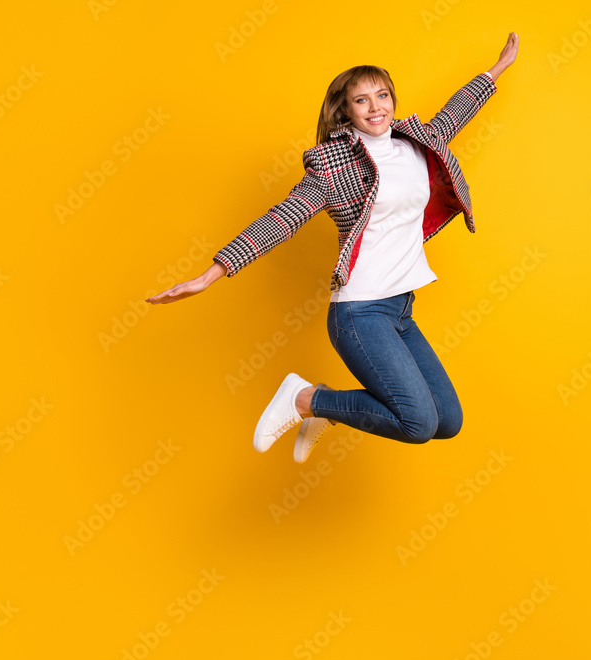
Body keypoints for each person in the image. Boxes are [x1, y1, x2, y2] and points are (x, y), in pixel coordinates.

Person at [147, 32, 519, 463]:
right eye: (362, 100)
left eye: (382, 95)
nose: (376, 106)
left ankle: (321, 402)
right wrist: (213, 272)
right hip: (359, 312)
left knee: (446, 421)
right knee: (417, 423)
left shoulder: (417, 142)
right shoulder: (332, 164)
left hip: (399, 307)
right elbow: (283, 217)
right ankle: (305, 399)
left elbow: (456, 112)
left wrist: (496, 70)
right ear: (345, 109)